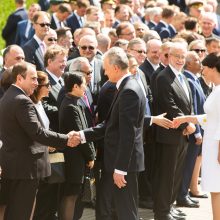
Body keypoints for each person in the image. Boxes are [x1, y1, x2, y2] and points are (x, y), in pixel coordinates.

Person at [0, 61, 79, 220]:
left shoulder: (9, 96)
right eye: (33, 79)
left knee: (15, 211)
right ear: (19, 79)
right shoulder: (22, 100)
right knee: (21, 213)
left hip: (15, 166)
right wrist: (66, 139)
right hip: (25, 168)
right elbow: (37, 132)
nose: (37, 83)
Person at [74, 47, 146, 220]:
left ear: (115, 68)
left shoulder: (128, 90)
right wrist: (82, 135)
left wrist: (120, 169)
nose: (104, 73)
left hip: (124, 164)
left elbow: (128, 133)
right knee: (123, 210)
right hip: (123, 161)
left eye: (105, 68)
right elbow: (110, 124)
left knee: (126, 212)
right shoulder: (126, 86)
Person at [173, 53, 220, 220]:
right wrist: (186, 118)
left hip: (217, 146)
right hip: (211, 143)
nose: (203, 71)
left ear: (213, 68)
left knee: (217, 188)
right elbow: (210, 118)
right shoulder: (215, 88)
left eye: (205, 68)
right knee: (215, 188)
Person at [59, 72, 96, 220]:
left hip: (77, 158)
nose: (85, 88)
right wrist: (90, 156)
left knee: (73, 195)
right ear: (75, 86)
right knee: (71, 195)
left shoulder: (74, 103)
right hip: (73, 159)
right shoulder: (70, 106)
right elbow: (79, 136)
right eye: (83, 85)